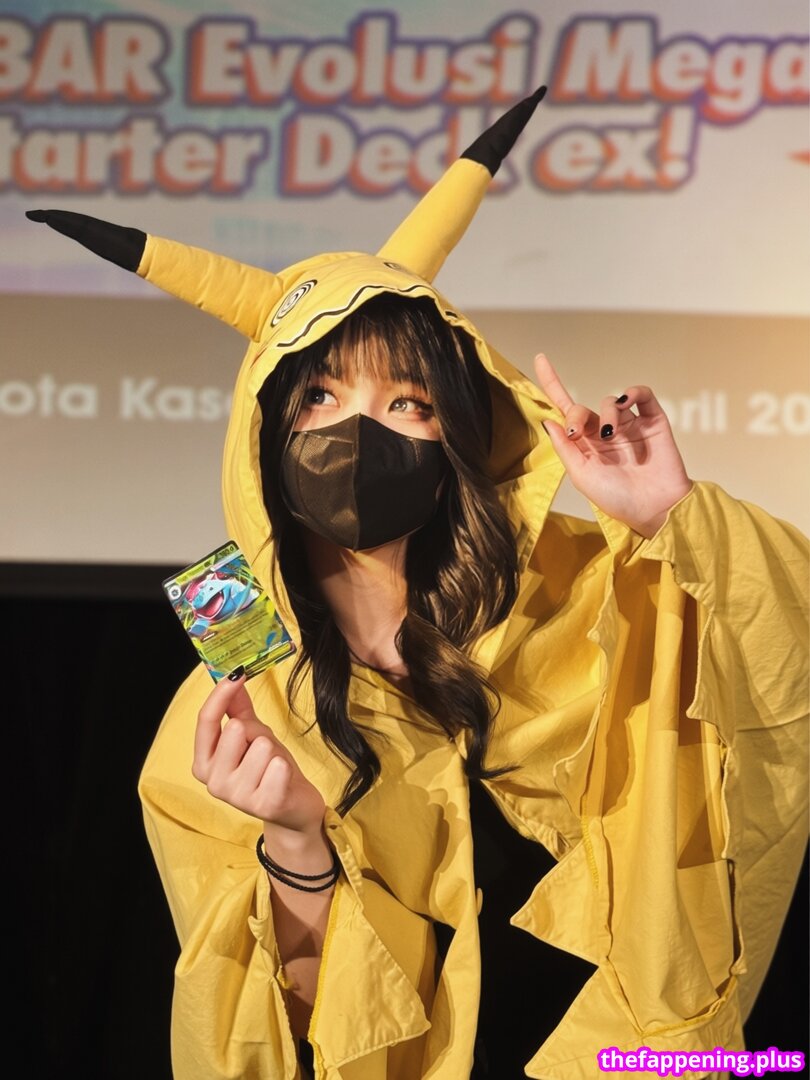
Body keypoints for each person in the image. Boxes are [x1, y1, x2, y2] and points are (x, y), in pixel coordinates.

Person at [28, 90, 808, 1080]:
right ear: (264, 433)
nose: (360, 434)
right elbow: (263, 1035)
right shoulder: (237, 711)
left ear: (460, 436)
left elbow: (778, 671)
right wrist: (295, 841)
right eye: (320, 395)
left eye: (408, 402)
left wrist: (673, 518)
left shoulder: (597, 600)